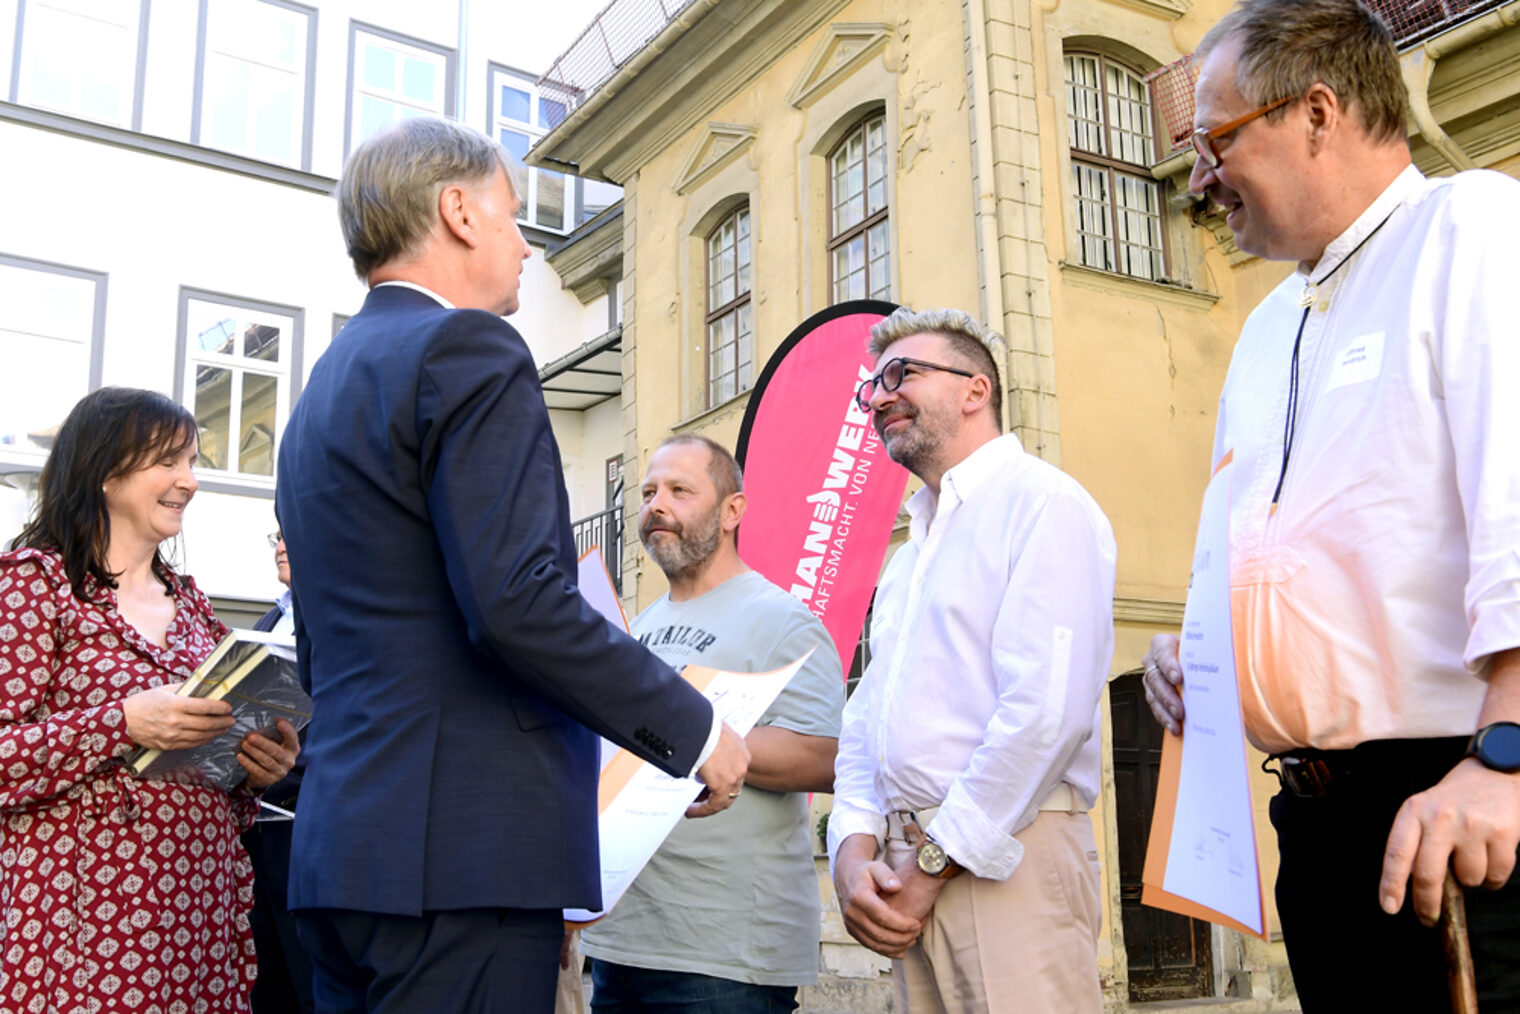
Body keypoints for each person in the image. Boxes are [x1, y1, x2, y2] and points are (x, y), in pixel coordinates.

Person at [274, 116, 750, 1014]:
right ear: (459, 212)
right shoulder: (467, 348)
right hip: (461, 856)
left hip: (345, 855)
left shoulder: (323, 388)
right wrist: (694, 733)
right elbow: (517, 603)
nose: (526, 245)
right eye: (512, 213)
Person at [1139, 1, 1520, 1008]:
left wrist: (1506, 760)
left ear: (1316, 113)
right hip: (1316, 824)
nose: (1198, 178)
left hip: (1459, 807)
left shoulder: (1469, 227)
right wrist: (1203, 656)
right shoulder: (1267, 327)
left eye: (1215, 140)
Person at [827, 308, 1117, 1013]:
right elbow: (866, 723)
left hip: (1007, 859)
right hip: (904, 871)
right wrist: (852, 853)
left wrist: (932, 865)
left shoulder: (1043, 504)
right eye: (872, 386)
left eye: (901, 375)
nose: (879, 398)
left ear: (974, 390)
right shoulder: (908, 558)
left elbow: (1045, 716)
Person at [0, 386, 300, 1013]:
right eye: (168, 461)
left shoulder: (193, 607)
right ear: (105, 472)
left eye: (191, 461)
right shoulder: (34, 585)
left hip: (198, 916)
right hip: (83, 924)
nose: (189, 480)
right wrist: (122, 724)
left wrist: (255, 768)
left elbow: (208, 769)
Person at [582, 436, 844, 1013]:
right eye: (648, 493)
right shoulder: (633, 630)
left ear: (732, 511)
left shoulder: (781, 619)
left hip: (723, 955)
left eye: (680, 490)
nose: (657, 505)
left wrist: (692, 738)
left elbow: (826, 756)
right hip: (620, 941)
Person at [242, 526, 314, 1014]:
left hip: (306, 833)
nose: (282, 546)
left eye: (293, 533)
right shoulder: (269, 620)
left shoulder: (340, 618)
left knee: (313, 989)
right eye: (278, 536)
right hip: (257, 838)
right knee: (263, 988)